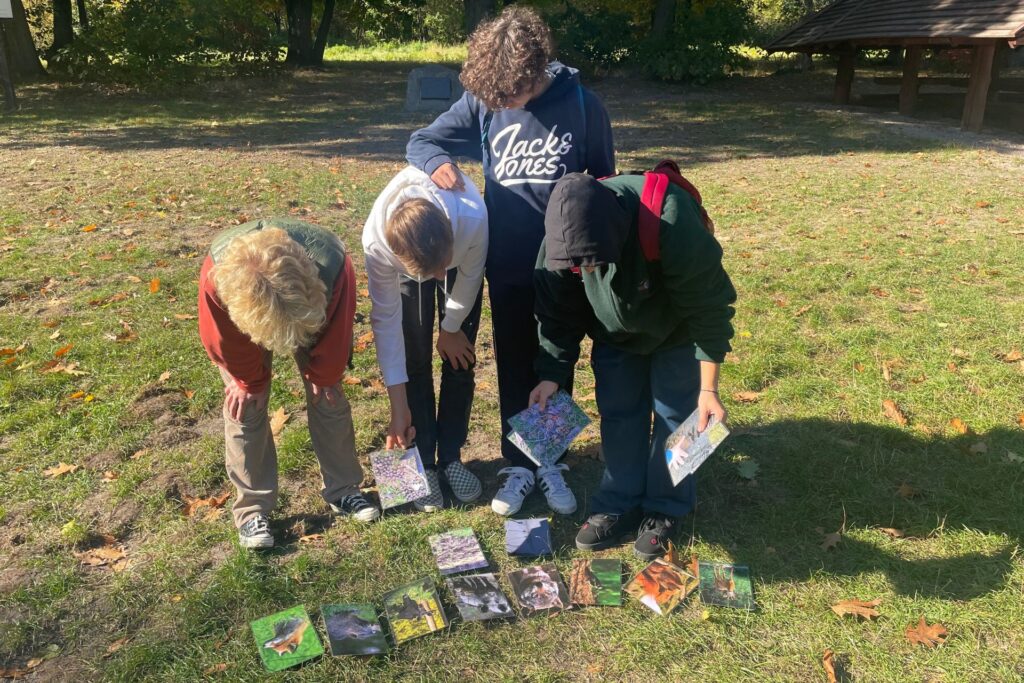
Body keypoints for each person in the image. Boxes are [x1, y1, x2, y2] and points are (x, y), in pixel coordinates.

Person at [406, 6, 615, 517]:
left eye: (511, 95)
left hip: (566, 265)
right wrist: (439, 166)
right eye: (493, 97)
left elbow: (605, 187)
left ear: (537, 72)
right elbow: (421, 140)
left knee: (555, 358)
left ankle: (551, 459)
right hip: (507, 263)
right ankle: (518, 463)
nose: (501, 103)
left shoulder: (585, 107)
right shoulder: (486, 99)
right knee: (514, 360)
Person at [529, 172, 737, 560]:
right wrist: (551, 375)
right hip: (614, 338)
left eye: (596, 262)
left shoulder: (671, 218)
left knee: (678, 416)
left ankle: (666, 508)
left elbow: (710, 308)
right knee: (620, 412)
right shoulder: (558, 240)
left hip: (677, 333)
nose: (587, 271)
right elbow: (556, 314)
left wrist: (708, 390)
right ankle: (618, 501)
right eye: (580, 266)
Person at [198, 219, 380, 549]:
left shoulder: (334, 263)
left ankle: (344, 491)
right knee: (245, 404)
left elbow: (337, 328)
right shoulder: (218, 277)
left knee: (328, 395)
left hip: (314, 305)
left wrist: (324, 375)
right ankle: (252, 508)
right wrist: (247, 380)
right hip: (245, 314)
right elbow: (221, 339)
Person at [362, 167, 488, 511]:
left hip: (463, 261)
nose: (438, 277)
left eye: (440, 267)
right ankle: (424, 464)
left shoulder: (473, 216)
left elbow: (471, 273)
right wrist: (397, 407)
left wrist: (451, 327)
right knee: (414, 357)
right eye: (428, 272)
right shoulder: (377, 244)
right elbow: (387, 323)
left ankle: (450, 458)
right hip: (410, 265)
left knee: (459, 357)